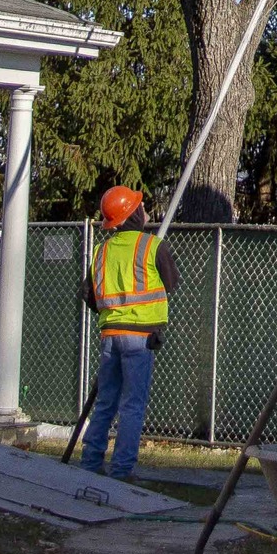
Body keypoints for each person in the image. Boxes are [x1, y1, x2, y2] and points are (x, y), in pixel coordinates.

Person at [79, 185, 179, 482]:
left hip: (110, 335)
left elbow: (88, 294)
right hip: (140, 338)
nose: (145, 208)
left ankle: (90, 463)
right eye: (140, 205)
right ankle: (121, 470)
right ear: (134, 214)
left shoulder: (101, 250)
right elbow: (172, 283)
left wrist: (114, 314)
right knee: (132, 405)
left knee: (106, 402)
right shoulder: (152, 246)